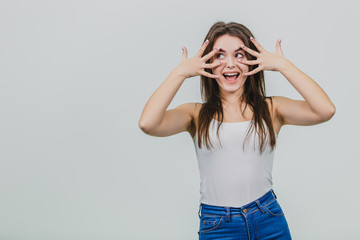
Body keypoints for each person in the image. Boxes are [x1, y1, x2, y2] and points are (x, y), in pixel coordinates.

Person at [138, 21, 335, 240]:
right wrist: (180, 73)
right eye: (220, 55)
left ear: (252, 61)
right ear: (208, 62)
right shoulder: (195, 114)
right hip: (218, 225)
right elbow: (148, 123)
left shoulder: (271, 109)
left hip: (268, 218)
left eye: (239, 55)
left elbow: (325, 110)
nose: (230, 64)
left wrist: (284, 66)